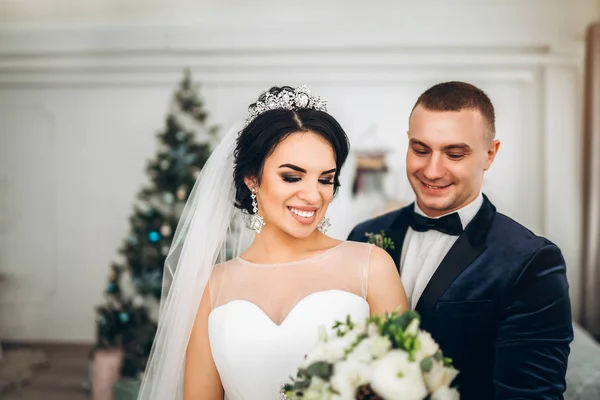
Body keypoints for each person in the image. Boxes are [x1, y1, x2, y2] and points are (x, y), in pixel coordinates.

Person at [137, 85, 408, 400]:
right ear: (251, 178)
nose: (313, 195)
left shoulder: (371, 266)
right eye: (292, 177)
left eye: (325, 179)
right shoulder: (211, 287)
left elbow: (403, 384)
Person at [348, 81, 573, 399]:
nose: (432, 170)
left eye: (454, 153)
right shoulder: (363, 236)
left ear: (490, 154)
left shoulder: (531, 260)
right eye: (420, 150)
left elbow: (532, 394)